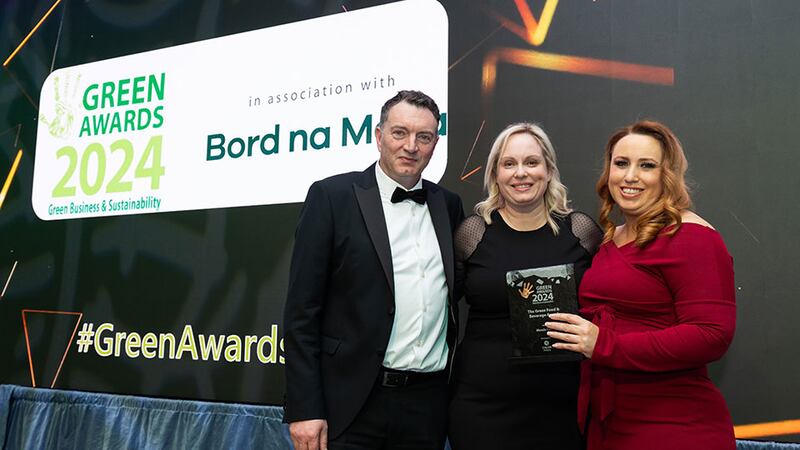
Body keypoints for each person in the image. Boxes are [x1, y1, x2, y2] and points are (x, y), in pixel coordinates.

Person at [283, 90, 464, 450]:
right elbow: (301, 313)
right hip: (351, 403)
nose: (411, 146)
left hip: (427, 406)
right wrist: (304, 408)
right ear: (379, 136)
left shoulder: (449, 206)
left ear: (435, 144)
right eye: (400, 133)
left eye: (423, 137)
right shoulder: (332, 197)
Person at [545, 120, 736, 449]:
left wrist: (605, 345)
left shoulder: (693, 235)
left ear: (668, 175)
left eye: (646, 165)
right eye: (621, 163)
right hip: (609, 423)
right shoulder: (609, 239)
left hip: (674, 426)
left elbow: (711, 335)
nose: (630, 176)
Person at [448, 123, 602, 449]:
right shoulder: (472, 233)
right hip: (482, 408)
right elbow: (442, 307)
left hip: (562, 407)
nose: (521, 173)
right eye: (509, 163)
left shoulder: (581, 230)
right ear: (495, 173)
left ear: (548, 169)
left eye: (531, 162)